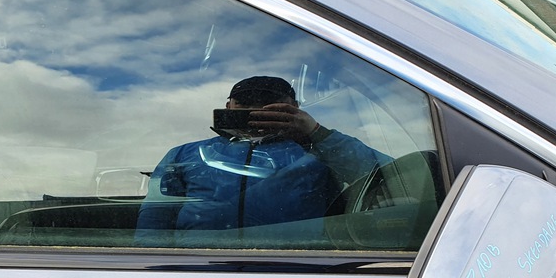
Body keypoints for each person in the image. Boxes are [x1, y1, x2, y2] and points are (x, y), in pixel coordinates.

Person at [134, 76, 389, 247]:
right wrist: (158, 272)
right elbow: (155, 220)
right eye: (246, 104)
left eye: (270, 104)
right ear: (228, 106)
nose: (257, 110)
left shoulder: (321, 150)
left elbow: (391, 176)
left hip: (300, 271)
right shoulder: (184, 154)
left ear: (295, 108)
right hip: (199, 271)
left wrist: (316, 132)